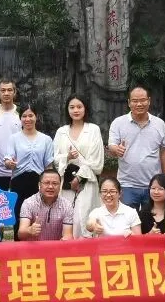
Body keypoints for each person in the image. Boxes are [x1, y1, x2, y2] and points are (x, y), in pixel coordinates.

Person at [108, 85, 165, 212]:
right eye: (135, 101)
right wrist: (116, 149)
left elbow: (163, 151)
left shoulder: (159, 123)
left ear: (149, 101)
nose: (139, 104)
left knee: (153, 220)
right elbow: (111, 145)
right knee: (127, 220)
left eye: (142, 100)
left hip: (154, 185)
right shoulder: (118, 123)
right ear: (129, 102)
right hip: (127, 184)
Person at [53, 95, 104, 239]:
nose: (76, 110)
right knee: (68, 218)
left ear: (85, 108)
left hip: (87, 181)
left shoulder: (93, 129)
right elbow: (56, 158)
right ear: (67, 110)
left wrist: (79, 177)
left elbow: (96, 160)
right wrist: (67, 157)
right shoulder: (61, 131)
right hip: (67, 183)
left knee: (85, 217)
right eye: (72, 107)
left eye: (79, 107)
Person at [6, 103, 55, 240]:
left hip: (38, 182)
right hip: (18, 181)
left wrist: (49, 183)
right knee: (18, 213)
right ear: (20, 118)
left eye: (30, 115)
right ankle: (19, 246)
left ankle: (40, 245)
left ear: (36, 117)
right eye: (24, 116)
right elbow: (8, 159)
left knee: (39, 213)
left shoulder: (46, 139)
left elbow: (49, 165)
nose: (27, 119)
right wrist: (9, 163)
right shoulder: (13, 138)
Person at [18, 168, 73, 241]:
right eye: (46, 183)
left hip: (56, 247)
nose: (50, 187)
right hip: (33, 247)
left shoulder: (67, 205)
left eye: (55, 183)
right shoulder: (28, 203)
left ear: (60, 185)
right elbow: (20, 234)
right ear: (39, 185)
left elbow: (68, 235)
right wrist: (30, 230)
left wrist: (66, 239)